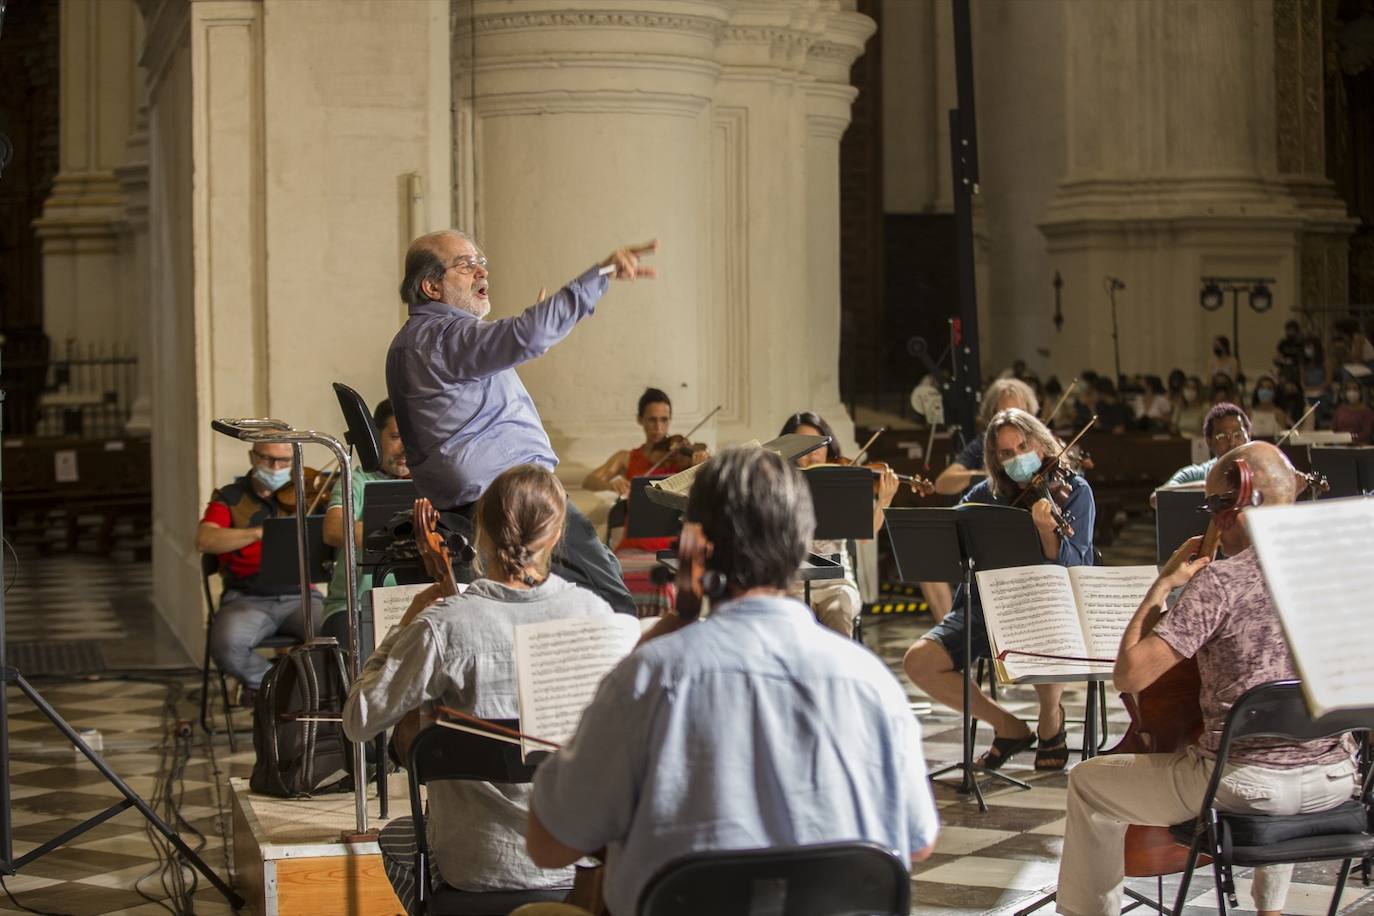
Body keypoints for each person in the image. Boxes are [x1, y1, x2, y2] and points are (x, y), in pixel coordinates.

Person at [524, 448, 938, 916]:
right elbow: (918, 842)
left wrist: (671, 623)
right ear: (803, 541)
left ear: (694, 548)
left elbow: (549, 845)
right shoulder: (872, 683)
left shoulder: (650, 677)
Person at [1056, 442, 1358, 916]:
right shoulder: (1336, 571)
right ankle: (1269, 910)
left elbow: (1130, 674)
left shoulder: (1219, 584)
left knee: (1089, 782)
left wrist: (1165, 583)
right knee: (1283, 733)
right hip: (1336, 781)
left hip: (1244, 785)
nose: (1215, 519)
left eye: (1217, 504)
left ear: (1236, 506)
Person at [342, 465, 615, 914]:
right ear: (558, 532)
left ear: (479, 531)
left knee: (395, 836)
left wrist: (404, 624)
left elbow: (357, 720)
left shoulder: (443, 625)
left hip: (476, 866)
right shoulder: (597, 616)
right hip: (577, 864)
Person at [386, 230, 656, 617]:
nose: (482, 273)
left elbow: (518, 338)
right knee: (610, 601)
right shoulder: (444, 336)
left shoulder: (417, 340)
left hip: (485, 502)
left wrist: (534, 326)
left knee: (562, 603)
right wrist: (600, 275)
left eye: (482, 263)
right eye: (466, 265)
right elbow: (526, 336)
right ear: (430, 286)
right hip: (513, 498)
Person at [904, 408, 1095, 771]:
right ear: (995, 459)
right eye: (1006, 454)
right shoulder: (986, 494)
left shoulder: (1073, 491)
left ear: (1040, 443)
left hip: (1046, 608)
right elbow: (950, 535)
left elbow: (1076, 568)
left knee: (1048, 617)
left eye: (1023, 446)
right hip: (987, 606)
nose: (1017, 457)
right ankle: (1008, 727)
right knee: (918, 661)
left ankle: (1050, 720)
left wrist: (1045, 534)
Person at [195, 442, 323, 703]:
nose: (276, 468)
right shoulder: (230, 497)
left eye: (285, 461)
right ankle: (277, 687)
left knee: (341, 634)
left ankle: (302, 691)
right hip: (247, 597)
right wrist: (258, 532)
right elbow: (205, 540)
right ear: (253, 457)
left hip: (302, 596)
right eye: (268, 459)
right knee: (226, 647)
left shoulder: (308, 495)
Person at [581, 388, 709, 616]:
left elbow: (710, 485)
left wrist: (699, 464)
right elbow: (590, 480)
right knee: (612, 579)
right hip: (633, 545)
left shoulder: (681, 457)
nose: (659, 427)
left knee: (666, 582)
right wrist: (613, 483)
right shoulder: (627, 458)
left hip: (672, 545)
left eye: (664, 420)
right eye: (651, 420)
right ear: (640, 420)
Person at [929, 378, 1040, 622]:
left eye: (1018, 412)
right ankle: (952, 633)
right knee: (927, 558)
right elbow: (943, 482)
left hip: (1022, 540)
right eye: (1002, 412)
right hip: (983, 534)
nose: (1010, 418)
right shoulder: (982, 445)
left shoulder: (1035, 445)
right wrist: (984, 475)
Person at [783, 411, 899, 638]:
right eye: (804, 446)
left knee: (837, 614)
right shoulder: (781, 484)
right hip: (793, 584)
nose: (813, 453)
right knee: (793, 625)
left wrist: (884, 499)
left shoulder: (842, 481)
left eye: (818, 444)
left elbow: (865, 535)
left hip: (836, 584)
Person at [320, 398, 410, 649]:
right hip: (353, 606)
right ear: (374, 437)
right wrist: (403, 534)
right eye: (396, 437)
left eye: (411, 438)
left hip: (411, 602)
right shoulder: (355, 480)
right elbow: (333, 529)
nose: (405, 448)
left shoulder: (427, 483)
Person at [1162, 403, 1251, 487]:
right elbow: (1157, 497)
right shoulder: (1196, 475)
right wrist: (1208, 487)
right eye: (1222, 436)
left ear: (1248, 436)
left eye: (1238, 434)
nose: (1232, 442)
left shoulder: (1263, 469)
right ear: (1209, 442)